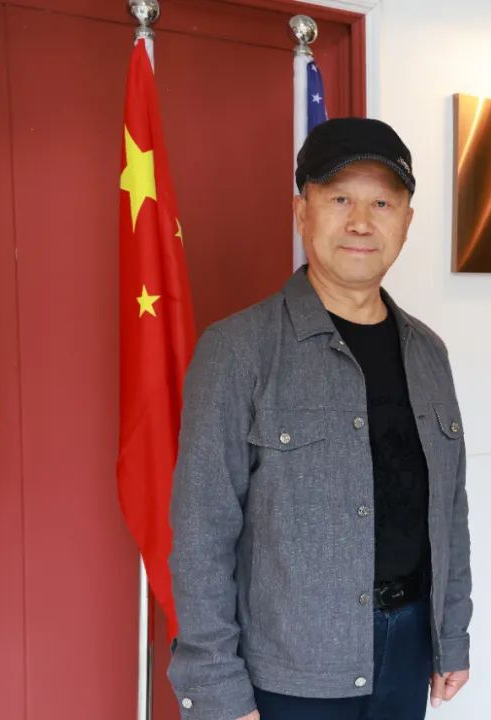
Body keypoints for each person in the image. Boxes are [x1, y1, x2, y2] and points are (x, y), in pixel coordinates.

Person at [167, 117, 472, 720]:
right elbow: (202, 532)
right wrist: (216, 688)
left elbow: (450, 509)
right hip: (288, 669)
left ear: (407, 221)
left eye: (382, 203)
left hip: (409, 652)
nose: (361, 222)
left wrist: (451, 633)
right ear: (301, 212)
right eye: (339, 199)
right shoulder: (239, 349)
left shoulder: (428, 352)